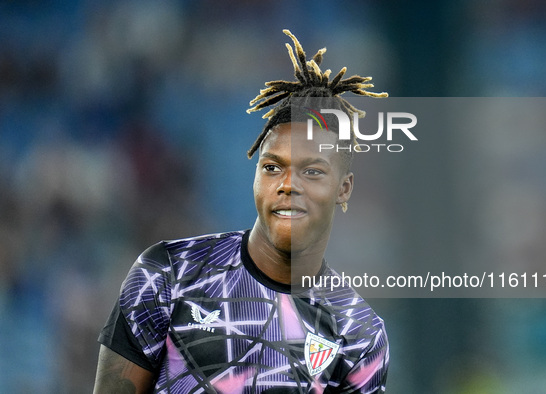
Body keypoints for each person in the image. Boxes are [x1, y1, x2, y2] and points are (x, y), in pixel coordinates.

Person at [94, 29, 389, 393]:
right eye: (272, 167)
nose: (287, 185)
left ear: (343, 187)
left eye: (312, 171)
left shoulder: (359, 333)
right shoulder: (168, 274)